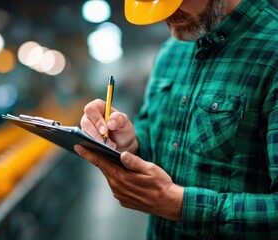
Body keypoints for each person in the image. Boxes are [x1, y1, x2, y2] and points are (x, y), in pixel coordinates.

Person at [74, 0, 278, 239]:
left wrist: (180, 205)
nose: (165, 15)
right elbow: (156, 141)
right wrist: (129, 145)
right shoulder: (171, 53)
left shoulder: (272, 53)